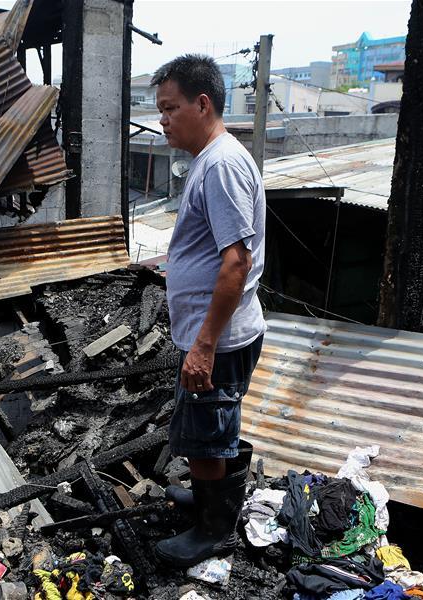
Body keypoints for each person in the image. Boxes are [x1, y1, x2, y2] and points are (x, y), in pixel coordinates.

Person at [151, 54, 266, 567]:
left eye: (170, 108)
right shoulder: (210, 161)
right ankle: (207, 500)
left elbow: (235, 263)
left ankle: (212, 530)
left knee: (208, 431)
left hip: (217, 338)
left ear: (202, 103)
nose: (163, 119)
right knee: (208, 425)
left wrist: (203, 344)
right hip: (210, 333)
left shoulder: (221, 164)